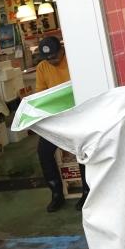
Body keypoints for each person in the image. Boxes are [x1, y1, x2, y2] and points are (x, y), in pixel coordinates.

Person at [34, 36, 88, 212]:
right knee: (43, 151)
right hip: (57, 119)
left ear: (62, 50)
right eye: (48, 58)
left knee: (80, 148)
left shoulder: (73, 61)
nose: (52, 61)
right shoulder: (42, 68)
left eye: (54, 57)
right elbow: (40, 95)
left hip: (77, 115)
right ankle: (56, 192)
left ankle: (87, 191)